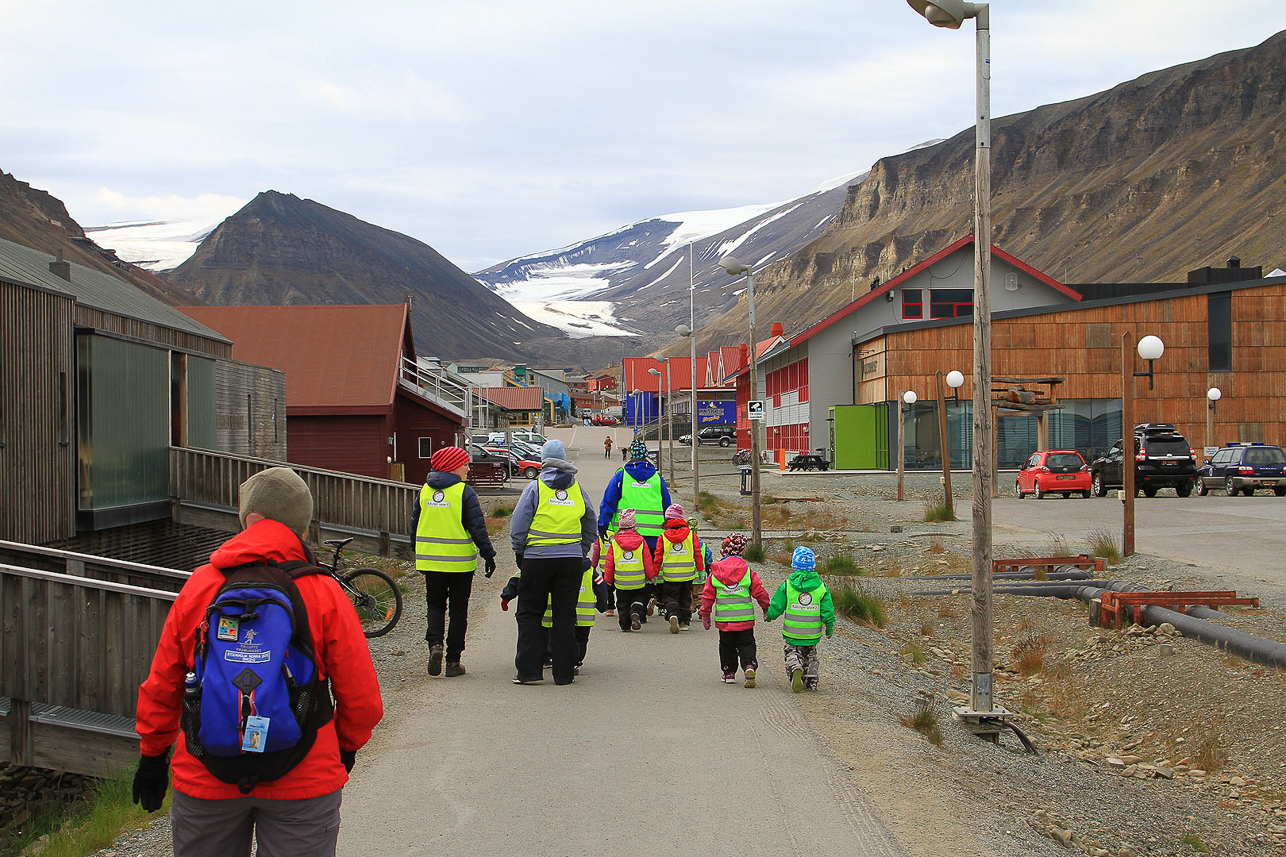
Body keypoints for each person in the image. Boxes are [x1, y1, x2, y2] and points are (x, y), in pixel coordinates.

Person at [132, 467, 383, 857]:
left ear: (250, 519)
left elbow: (164, 681)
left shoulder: (200, 585)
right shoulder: (324, 591)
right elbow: (362, 696)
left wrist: (153, 754)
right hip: (303, 773)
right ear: (302, 524)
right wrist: (344, 748)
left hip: (206, 773)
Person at [509, 438, 597, 685]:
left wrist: (520, 551)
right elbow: (590, 521)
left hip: (536, 559)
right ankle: (564, 673)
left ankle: (529, 671)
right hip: (569, 561)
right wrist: (581, 549)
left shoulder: (536, 488)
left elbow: (518, 525)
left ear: (543, 460)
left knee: (529, 613)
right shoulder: (577, 488)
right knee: (565, 615)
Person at [410, 446, 497, 678]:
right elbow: (477, 527)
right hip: (459, 563)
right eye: (465, 464)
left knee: (435, 605)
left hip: (430, 561)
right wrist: (488, 554)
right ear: (453, 466)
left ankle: (434, 645)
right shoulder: (463, 492)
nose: (468, 468)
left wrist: (415, 550)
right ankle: (453, 662)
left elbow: (414, 524)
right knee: (459, 611)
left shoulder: (425, 491)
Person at [599, 438, 670, 617]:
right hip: (654, 537)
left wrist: (602, 527)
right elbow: (667, 506)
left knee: (627, 569)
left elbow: (608, 502)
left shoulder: (621, 476)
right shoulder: (657, 477)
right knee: (647, 573)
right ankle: (640, 606)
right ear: (646, 456)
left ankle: (627, 607)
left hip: (625, 536)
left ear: (632, 455)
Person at [699, 533, 771, 688]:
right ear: (742, 551)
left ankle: (729, 672)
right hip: (745, 620)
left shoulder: (715, 573)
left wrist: (705, 614)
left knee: (726, 646)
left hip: (725, 621)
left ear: (724, 550)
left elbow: (707, 596)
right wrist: (766, 608)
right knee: (747, 644)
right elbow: (760, 592)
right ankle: (749, 666)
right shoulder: (747, 572)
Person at [765, 547, 835, 692]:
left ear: (793, 565)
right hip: (812, 633)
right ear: (813, 566)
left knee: (792, 652)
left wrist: (769, 615)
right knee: (811, 653)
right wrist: (829, 627)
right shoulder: (821, 588)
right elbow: (827, 611)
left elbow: (778, 605)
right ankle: (811, 677)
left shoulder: (788, 585)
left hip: (792, 632)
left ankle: (794, 666)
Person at [601, 508, 657, 631]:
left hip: (621, 581)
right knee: (639, 598)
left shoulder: (615, 543)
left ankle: (625, 625)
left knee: (622, 603)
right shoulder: (641, 541)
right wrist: (651, 576)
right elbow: (647, 562)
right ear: (634, 525)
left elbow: (610, 563)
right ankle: (636, 611)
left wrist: (608, 579)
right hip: (638, 580)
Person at [653, 503, 703, 632]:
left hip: (670, 574)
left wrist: (654, 573)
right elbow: (697, 553)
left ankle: (672, 614)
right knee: (685, 597)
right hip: (687, 574)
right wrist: (701, 570)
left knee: (670, 596)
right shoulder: (691, 535)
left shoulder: (663, 537)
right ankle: (684, 622)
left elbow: (658, 557)